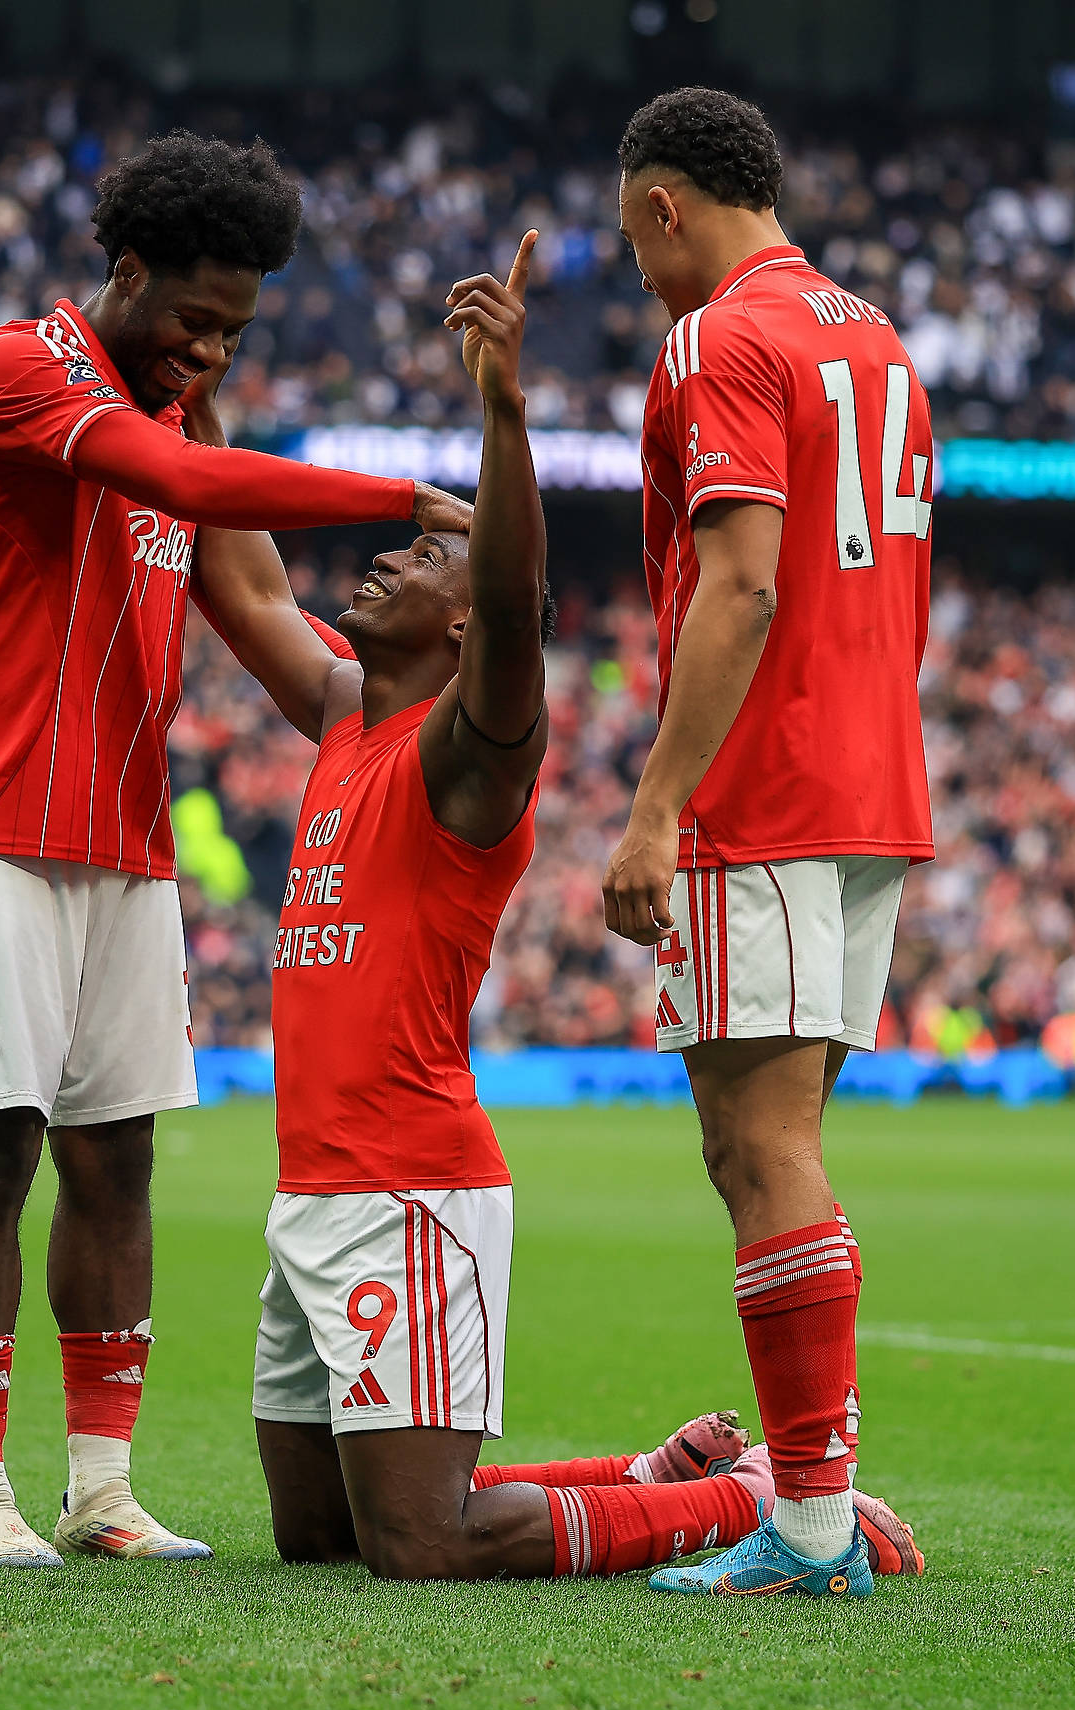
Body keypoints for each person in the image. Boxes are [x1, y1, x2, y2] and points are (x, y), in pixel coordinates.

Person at [191, 233, 923, 1583]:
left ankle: (744, 1506)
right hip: (313, 1190)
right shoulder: (348, 715)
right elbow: (238, 577)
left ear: (468, 631)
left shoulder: (473, 754)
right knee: (318, 1536)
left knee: (422, 1545)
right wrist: (188, 401)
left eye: (422, 559)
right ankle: (662, 1477)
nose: (386, 561)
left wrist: (504, 416)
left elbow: (517, 596)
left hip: (410, 1185)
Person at [0, 131, 470, 1570]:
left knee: (118, 1165)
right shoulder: (26, 371)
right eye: (194, 318)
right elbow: (190, 489)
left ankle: (101, 1491)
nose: (210, 350)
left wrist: (466, 699)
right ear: (125, 270)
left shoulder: (190, 421)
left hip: (126, 844)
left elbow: (293, 651)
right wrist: (410, 498)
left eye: (237, 330)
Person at [598, 87, 936, 1597]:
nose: (639, 274)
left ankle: (806, 1524)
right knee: (777, 1142)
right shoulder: (876, 340)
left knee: (761, 1147)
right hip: (874, 782)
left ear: (666, 205)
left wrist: (659, 802)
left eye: (634, 240)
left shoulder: (714, 339)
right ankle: (816, 1499)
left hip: (767, 782)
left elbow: (743, 584)